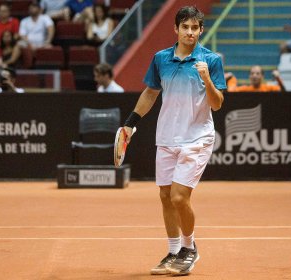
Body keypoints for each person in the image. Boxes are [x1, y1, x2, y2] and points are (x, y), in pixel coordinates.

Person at [122, 6, 226, 276]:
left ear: (201, 30)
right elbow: (150, 92)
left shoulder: (211, 60)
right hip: (167, 136)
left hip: (197, 138)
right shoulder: (160, 59)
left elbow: (217, 104)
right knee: (165, 196)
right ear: (176, 29)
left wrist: (207, 80)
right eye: (185, 27)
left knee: (180, 197)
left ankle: (189, 248)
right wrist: (131, 122)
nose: (190, 32)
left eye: (195, 28)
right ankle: (172, 251)